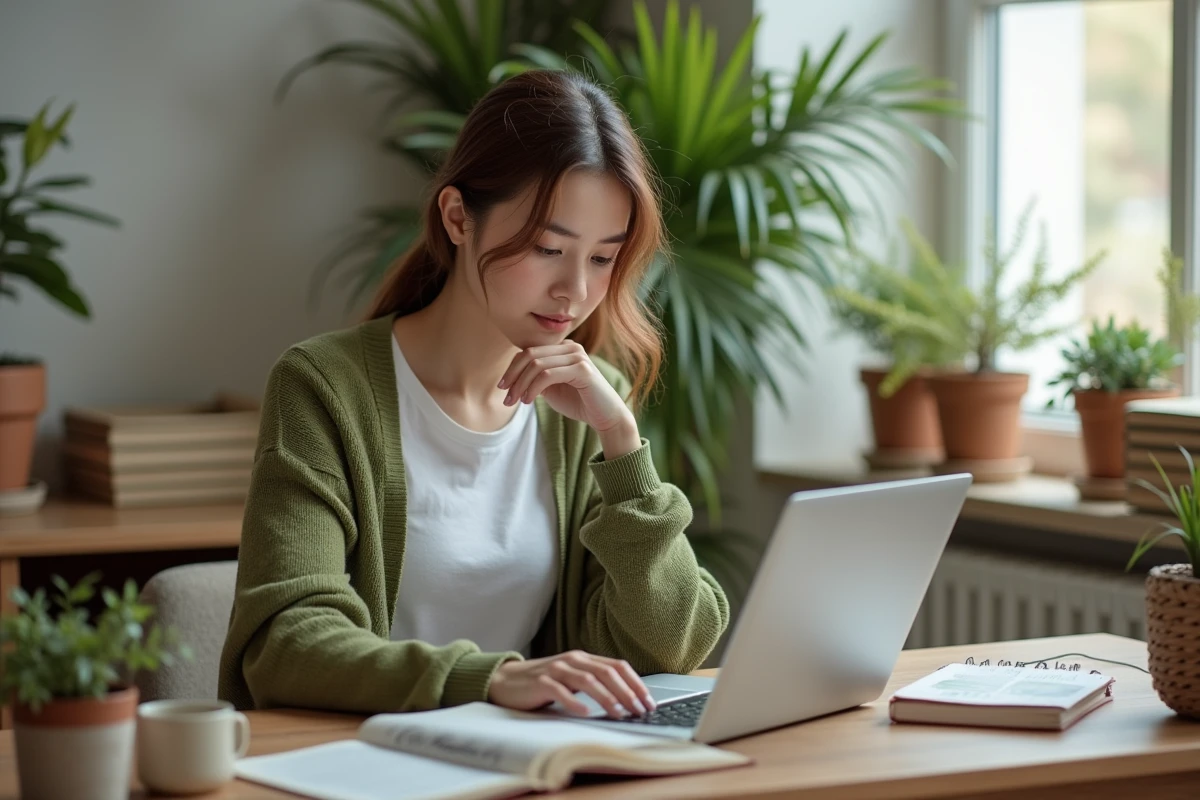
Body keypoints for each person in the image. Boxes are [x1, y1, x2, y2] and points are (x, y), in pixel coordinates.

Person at [217, 69, 728, 720]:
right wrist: (490, 679)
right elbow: (285, 641)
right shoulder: (324, 387)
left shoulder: (588, 402)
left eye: (603, 258)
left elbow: (669, 648)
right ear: (458, 218)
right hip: (364, 754)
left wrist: (623, 446)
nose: (575, 291)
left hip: (529, 756)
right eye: (548, 247)